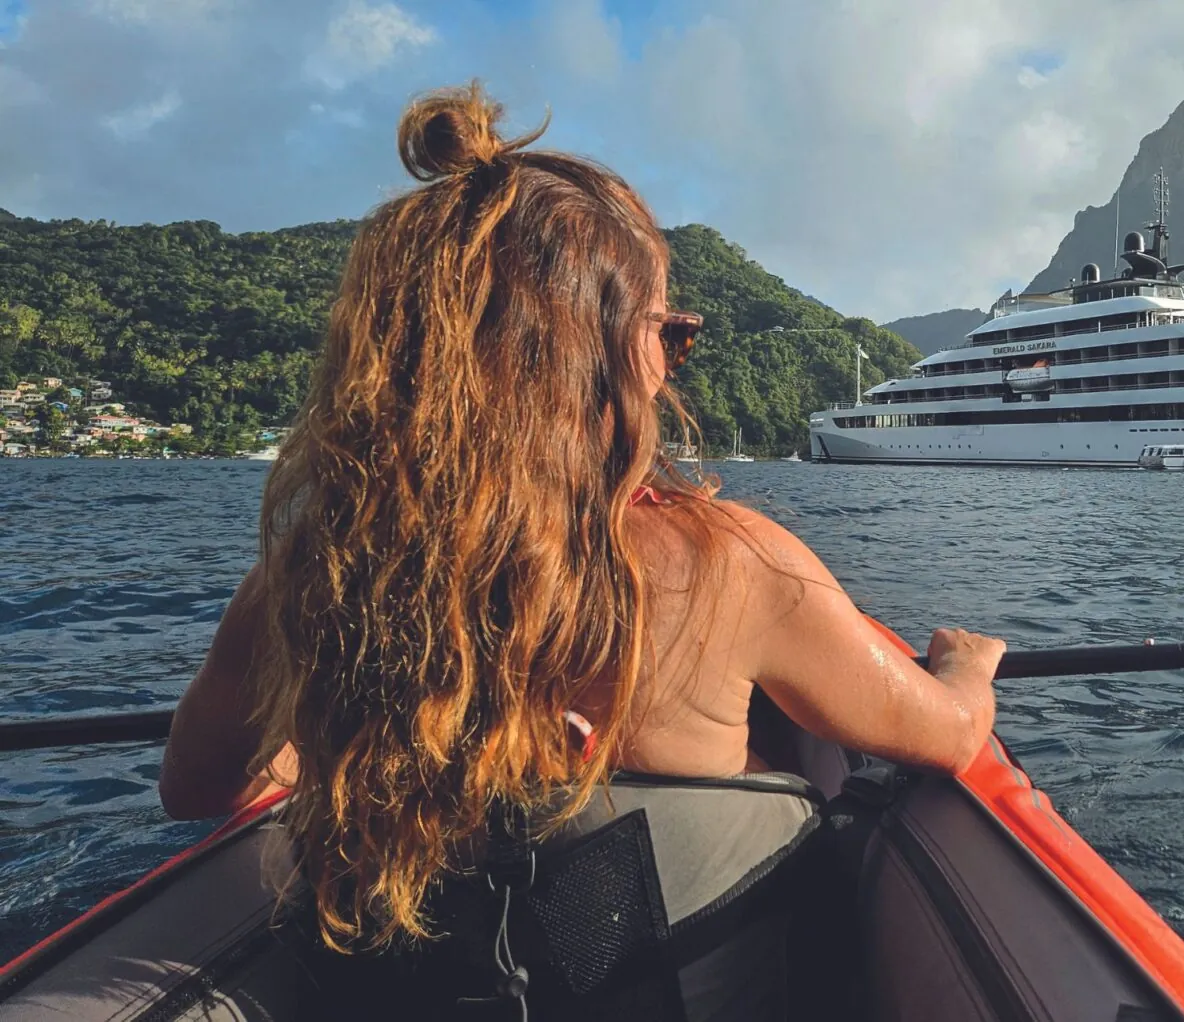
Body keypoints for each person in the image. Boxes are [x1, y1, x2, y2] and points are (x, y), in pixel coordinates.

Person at [157, 80, 1005, 1018]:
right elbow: (952, 735)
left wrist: (321, 736)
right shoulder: (734, 570)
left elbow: (195, 786)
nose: (672, 360)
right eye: (669, 336)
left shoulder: (311, 573)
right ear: (597, 355)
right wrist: (966, 667)